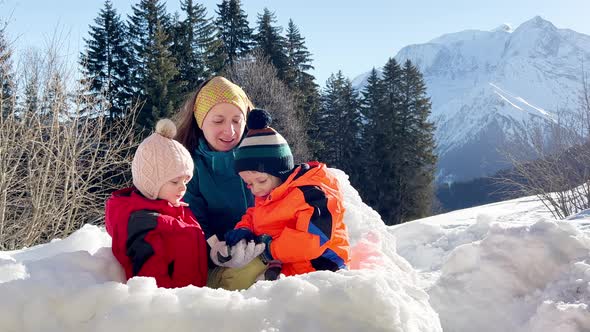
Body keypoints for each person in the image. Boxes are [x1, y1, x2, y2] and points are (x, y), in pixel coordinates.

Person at [210, 109, 351, 289]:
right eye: (249, 184)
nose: (256, 188)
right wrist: (244, 230)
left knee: (251, 287)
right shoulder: (270, 190)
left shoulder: (313, 194)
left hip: (320, 265)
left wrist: (270, 249)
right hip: (283, 258)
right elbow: (256, 214)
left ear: (280, 171)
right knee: (234, 279)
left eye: (260, 180)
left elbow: (312, 240)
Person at [174, 76, 264, 289]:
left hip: (263, 250)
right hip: (216, 262)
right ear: (200, 121)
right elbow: (193, 223)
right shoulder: (187, 166)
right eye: (218, 121)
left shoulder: (261, 153)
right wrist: (219, 251)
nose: (230, 131)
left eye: (236, 120)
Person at [105, 119, 208, 288]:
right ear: (151, 184)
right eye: (175, 182)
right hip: (170, 307)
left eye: (186, 181)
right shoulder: (143, 223)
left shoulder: (177, 210)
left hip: (192, 300)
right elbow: (152, 280)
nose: (183, 188)